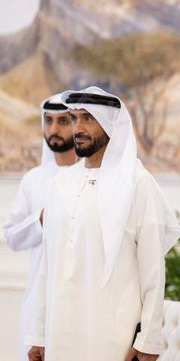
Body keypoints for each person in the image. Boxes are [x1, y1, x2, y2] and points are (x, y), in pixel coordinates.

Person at [27, 86, 180, 361]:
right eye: (75, 118)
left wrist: (149, 340)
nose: (78, 127)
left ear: (111, 123)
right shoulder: (59, 184)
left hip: (112, 337)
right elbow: (47, 268)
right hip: (59, 334)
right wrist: (38, 335)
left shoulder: (137, 183)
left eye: (88, 118)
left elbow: (153, 270)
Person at [3, 95, 78, 361]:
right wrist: (41, 220)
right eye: (48, 121)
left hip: (80, 296)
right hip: (39, 297)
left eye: (63, 121)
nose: (53, 129)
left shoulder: (94, 177)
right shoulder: (33, 180)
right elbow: (12, 236)